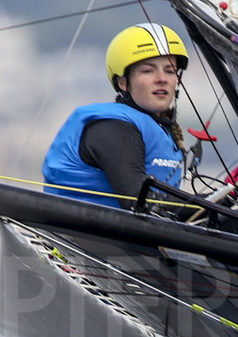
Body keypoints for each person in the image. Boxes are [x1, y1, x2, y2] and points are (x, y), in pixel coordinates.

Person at [43, 23, 190, 210]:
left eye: (169, 71)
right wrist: (204, 207)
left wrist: (215, 200)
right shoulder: (113, 127)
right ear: (123, 82)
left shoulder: (161, 129)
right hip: (82, 237)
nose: (162, 78)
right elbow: (137, 199)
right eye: (148, 70)